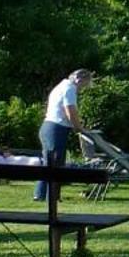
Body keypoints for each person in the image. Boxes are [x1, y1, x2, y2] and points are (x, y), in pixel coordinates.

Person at [37, 67, 94, 201]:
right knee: (56, 164)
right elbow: (70, 111)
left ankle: (40, 195)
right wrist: (79, 128)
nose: (83, 89)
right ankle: (52, 197)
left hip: (49, 127)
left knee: (48, 163)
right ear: (79, 80)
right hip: (56, 129)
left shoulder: (61, 86)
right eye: (84, 85)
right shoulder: (69, 89)